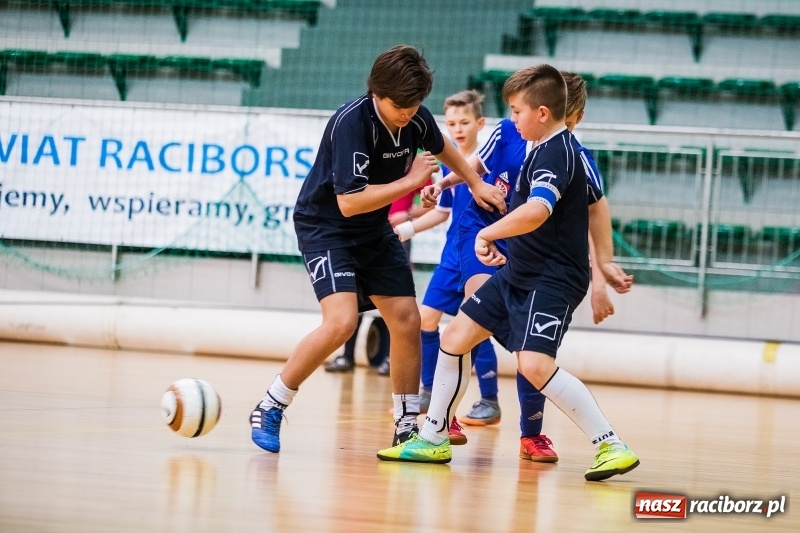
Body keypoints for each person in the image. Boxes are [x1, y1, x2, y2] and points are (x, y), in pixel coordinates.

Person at [377, 64, 640, 483]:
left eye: (517, 111)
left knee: (534, 364)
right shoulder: (538, 145)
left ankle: (610, 444)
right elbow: (595, 203)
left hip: (551, 279)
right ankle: (433, 437)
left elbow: (538, 210)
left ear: (542, 113)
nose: (511, 118)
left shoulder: (559, 153)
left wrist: (490, 234)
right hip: (519, 269)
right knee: (455, 337)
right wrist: (605, 259)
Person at [250, 45, 506, 454]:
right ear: (376, 93)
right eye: (399, 106)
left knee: (407, 319)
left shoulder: (415, 115)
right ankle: (271, 404)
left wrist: (475, 183)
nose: (408, 114)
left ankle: (405, 426)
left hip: (372, 229)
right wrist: (411, 181)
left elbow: (442, 145)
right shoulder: (351, 123)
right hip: (327, 229)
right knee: (341, 322)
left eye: (414, 106)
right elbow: (349, 202)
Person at [394, 89, 488, 445]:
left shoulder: (488, 160)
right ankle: (432, 393)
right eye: (451, 124)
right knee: (427, 320)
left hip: (481, 252)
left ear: (480, 123)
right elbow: (441, 213)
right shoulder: (449, 165)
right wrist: (405, 230)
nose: (458, 129)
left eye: (464, 122)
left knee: (478, 326)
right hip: (452, 256)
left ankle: (490, 398)